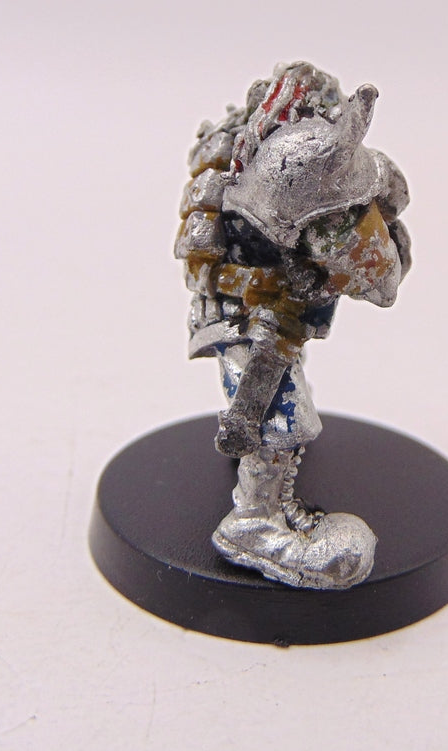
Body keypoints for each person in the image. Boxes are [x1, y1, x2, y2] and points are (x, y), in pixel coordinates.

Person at [174, 61, 411, 589]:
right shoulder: (271, 185)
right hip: (242, 314)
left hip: (274, 302)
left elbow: (378, 268)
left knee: (283, 387)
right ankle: (254, 522)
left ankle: (266, 466)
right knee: (281, 417)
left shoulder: (282, 147)